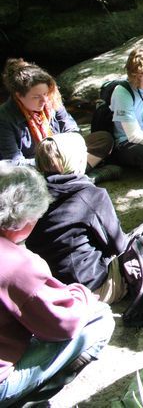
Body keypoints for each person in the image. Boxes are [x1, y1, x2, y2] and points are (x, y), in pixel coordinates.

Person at [0, 163, 114, 406]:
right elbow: (63, 325)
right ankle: (27, 399)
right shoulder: (17, 265)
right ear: (23, 222)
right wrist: (81, 293)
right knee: (101, 317)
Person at [28, 133, 128, 304]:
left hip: (50, 289)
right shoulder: (91, 196)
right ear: (76, 160)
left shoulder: (31, 195)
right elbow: (119, 245)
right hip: (89, 289)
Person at [0, 59, 115, 182]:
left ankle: (67, 180)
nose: (44, 101)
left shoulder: (51, 101)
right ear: (18, 95)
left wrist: (68, 151)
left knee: (103, 139)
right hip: (36, 166)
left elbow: (73, 130)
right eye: (36, 97)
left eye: (45, 93)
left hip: (63, 154)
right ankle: (82, 178)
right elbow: (14, 163)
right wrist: (48, 161)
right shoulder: (4, 117)